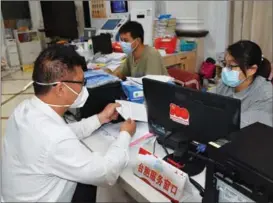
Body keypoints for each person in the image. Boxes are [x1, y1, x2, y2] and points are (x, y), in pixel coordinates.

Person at [2, 45, 136, 202]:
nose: (84, 88)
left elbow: (64, 132)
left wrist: (100, 118)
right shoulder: (55, 138)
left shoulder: (24, 109)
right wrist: (125, 134)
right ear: (60, 89)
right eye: (81, 82)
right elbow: (106, 173)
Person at [211, 40, 273, 128]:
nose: (225, 70)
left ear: (251, 70)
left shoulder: (266, 96)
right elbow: (206, 100)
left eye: (231, 66)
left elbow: (244, 128)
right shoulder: (225, 83)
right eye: (225, 63)